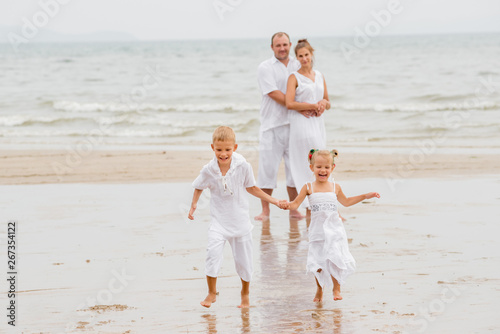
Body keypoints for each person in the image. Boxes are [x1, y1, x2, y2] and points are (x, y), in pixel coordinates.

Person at [188, 126, 284, 308]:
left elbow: (252, 188)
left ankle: (245, 293)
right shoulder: (209, 169)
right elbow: (199, 185)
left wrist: (274, 200)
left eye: (227, 150)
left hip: (240, 223)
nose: (223, 154)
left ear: (235, 147)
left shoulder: (243, 166)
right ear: (212, 147)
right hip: (219, 222)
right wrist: (194, 204)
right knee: (212, 254)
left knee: (245, 262)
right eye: (219, 150)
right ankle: (211, 292)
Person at [280, 149, 380, 301]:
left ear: (332, 168)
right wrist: (286, 205)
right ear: (311, 168)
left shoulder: (335, 187)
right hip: (317, 231)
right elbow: (295, 205)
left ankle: (336, 288)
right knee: (317, 262)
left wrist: (366, 195)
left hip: (334, 230)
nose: (323, 170)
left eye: (326, 167)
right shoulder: (308, 187)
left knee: (335, 257)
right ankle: (319, 289)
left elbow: (346, 202)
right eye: (319, 167)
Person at [255, 32, 304, 221]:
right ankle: (265, 210)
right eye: (278, 45)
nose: (282, 48)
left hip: (294, 125)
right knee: (267, 170)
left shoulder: (297, 64)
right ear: (272, 47)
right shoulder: (265, 68)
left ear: (290, 44)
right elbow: (273, 93)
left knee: (294, 170)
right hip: (271, 126)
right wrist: (299, 107)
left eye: (285, 44)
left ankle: (293, 209)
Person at [285, 39, 331, 212]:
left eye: (306, 55)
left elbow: (327, 101)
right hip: (301, 124)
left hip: (318, 123)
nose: (304, 59)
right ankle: (308, 204)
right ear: (296, 58)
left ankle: (323, 202)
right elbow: (289, 103)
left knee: (322, 160)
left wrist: (322, 104)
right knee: (308, 162)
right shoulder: (294, 77)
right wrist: (311, 106)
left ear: (312, 55)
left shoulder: (319, 75)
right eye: (300, 56)